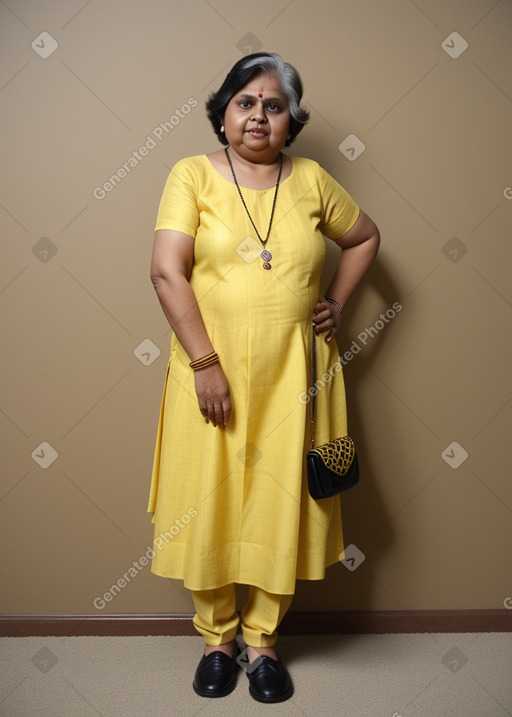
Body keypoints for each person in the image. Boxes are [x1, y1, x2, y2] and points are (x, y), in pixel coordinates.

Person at [148, 52, 380, 703]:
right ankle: (217, 639)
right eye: (245, 101)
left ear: (291, 121)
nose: (258, 115)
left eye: (274, 105)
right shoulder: (190, 175)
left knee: (287, 503)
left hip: (299, 378)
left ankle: (263, 640)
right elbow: (167, 271)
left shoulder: (311, 179)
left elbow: (364, 237)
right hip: (207, 374)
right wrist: (204, 365)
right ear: (223, 112)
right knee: (206, 503)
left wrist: (338, 299)